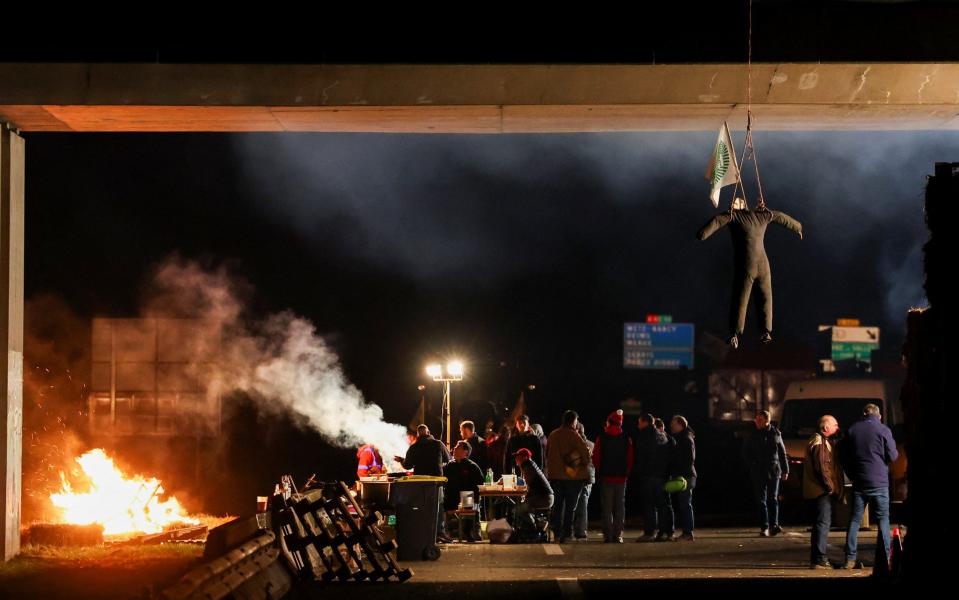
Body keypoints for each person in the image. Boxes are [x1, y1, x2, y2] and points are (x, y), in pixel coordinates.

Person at [696, 197, 803, 348]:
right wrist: (798, 227)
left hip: (747, 265)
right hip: (764, 265)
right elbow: (780, 216)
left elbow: (717, 220)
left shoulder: (733, 216)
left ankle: (735, 334)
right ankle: (766, 331)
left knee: (741, 299)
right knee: (765, 298)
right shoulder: (762, 215)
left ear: (734, 207)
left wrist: (701, 235)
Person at [837, 404, 898, 570]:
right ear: (878, 416)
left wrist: (852, 472)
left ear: (864, 414)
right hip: (880, 481)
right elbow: (893, 456)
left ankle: (850, 559)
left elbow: (842, 454)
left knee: (855, 520)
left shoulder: (853, 430)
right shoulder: (884, 430)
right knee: (883, 520)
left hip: (860, 482)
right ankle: (886, 558)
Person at [395, 424, 453, 542]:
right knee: (438, 506)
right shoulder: (438, 444)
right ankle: (440, 532)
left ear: (418, 434)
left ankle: (424, 531)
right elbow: (448, 459)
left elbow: (407, 466)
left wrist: (401, 460)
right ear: (428, 432)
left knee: (422, 506)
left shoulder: (414, 447)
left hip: (420, 483)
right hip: (436, 482)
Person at [546, 410, 592, 543]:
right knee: (570, 508)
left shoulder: (553, 435)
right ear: (573, 421)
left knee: (558, 506)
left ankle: (556, 532)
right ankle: (567, 534)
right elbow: (586, 456)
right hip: (573, 478)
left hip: (555, 477)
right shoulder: (574, 436)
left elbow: (547, 453)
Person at [742, 410, 789, 537]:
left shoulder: (775, 433)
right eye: (756, 420)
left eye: (760, 420)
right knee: (761, 499)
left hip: (773, 469)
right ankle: (765, 526)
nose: (757, 422)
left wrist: (785, 470)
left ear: (767, 421)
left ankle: (774, 525)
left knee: (773, 498)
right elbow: (746, 452)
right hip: (758, 470)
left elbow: (782, 453)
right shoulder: (753, 435)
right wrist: (752, 464)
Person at [804, 414, 843, 569]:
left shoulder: (819, 440)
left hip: (817, 489)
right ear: (826, 427)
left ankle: (818, 558)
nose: (837, 428)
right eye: (835, 425)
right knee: (822, 523)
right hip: (820, 490)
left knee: (819, 524)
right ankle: (820, 559)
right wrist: (830, 487)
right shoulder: (819, 442)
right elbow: (821, 467)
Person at [592, 409, 634, 543]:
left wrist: (600, 471)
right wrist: (627, 472)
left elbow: (596, 457)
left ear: (610, 422)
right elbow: (630, 458)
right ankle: (618, 534)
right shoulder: (626, 438)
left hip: (606, 477)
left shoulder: (601, 438)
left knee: (607, 507)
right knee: (620, 507)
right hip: (621, 478)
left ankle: (608, 535)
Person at [634, 415, 675, 542]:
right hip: (663, 476)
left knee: (649, 506)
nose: (638, 425)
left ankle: (649, 532)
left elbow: (640, 457)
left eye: (639, 422)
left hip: (648, 476)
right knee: (663, 505)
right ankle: (665, 532)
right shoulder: (663, 436)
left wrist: (640, 473)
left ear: (645, 423)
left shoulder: (644, 436)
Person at [443, 440, 485, 542]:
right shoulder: (448, 466)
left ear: (465, 452)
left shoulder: (472, 466)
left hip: (467, 499)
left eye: (458, 447)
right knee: (440, 502)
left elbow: (480, 482)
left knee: (468, 497)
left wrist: (474, 498)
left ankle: (469, 532)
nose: (454, 449)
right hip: (451, 498)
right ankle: (445, 532)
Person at [513, 448, 554, 541]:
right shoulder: (531, 465)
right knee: (521, 507)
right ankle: (537, 527)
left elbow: (530, 485)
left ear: (525, 457)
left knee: (518, 510)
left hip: (544, 498)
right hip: (546, 497)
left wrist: (525, 497)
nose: (516, 459)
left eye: (518, 457)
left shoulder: (527, 466)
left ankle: (535, 530)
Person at [668, 415, 697, 541]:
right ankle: (687, 532)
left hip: (685, 476)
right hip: (686, 475)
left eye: (673, 423)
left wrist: (680, 475)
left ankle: (688, 532)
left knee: (685, 504)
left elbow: (689, 459)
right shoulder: (683, 437)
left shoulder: (685, 438)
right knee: (684, 504)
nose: (671, 426)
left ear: (680, 424)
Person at [572, 421, 595, 540]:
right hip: (589, 478)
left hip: (579, 477)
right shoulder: (591, 444)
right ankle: (580, 530)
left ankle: (578, 530)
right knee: (583, 503)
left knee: (577, 504)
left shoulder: (576, 445)